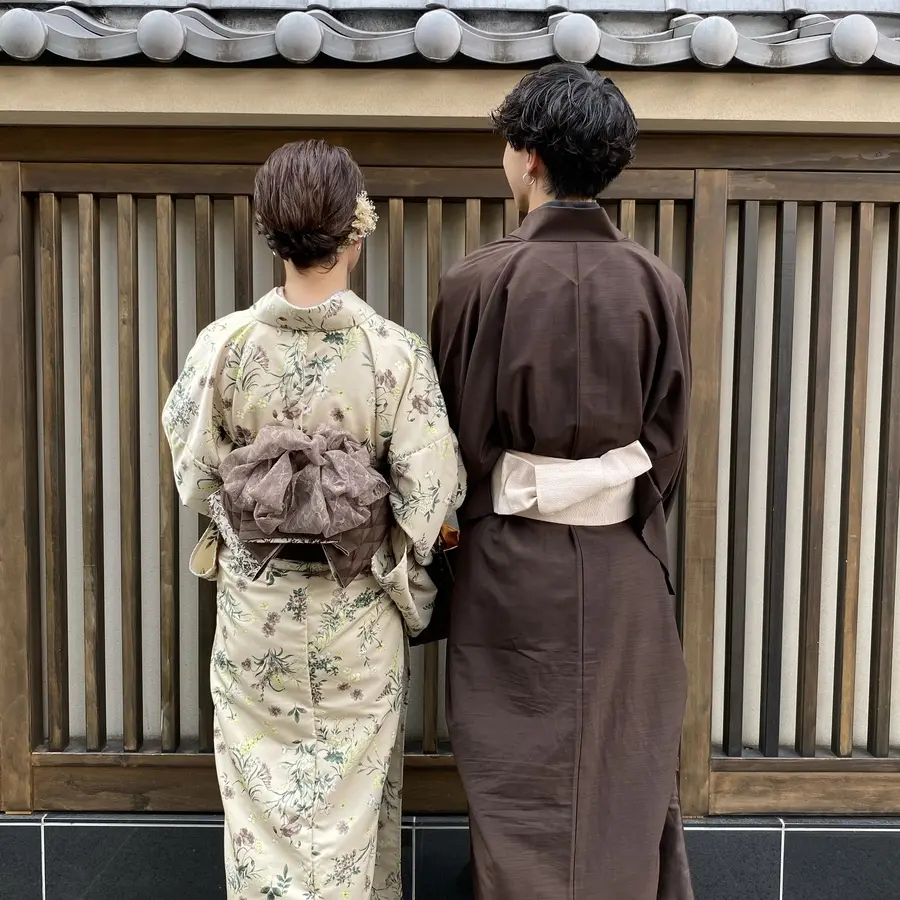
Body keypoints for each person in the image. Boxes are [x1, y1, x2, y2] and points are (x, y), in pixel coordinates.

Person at [163, 140, 465, 900]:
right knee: (354, 807)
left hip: (256, 614)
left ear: (269, 231)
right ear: (356, 231)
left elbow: (195, 476)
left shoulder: (223, 348)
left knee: (261, 813)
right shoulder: (393, 354)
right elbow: (430, 502)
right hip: (356, 619)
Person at [431, 64, 694, 900]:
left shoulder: (477, 282)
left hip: (511, 568)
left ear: (529, 156)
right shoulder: (658, 282)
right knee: (619, 777)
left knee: (517, 789)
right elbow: (668, 445)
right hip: (621, 569)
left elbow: (452, 448)